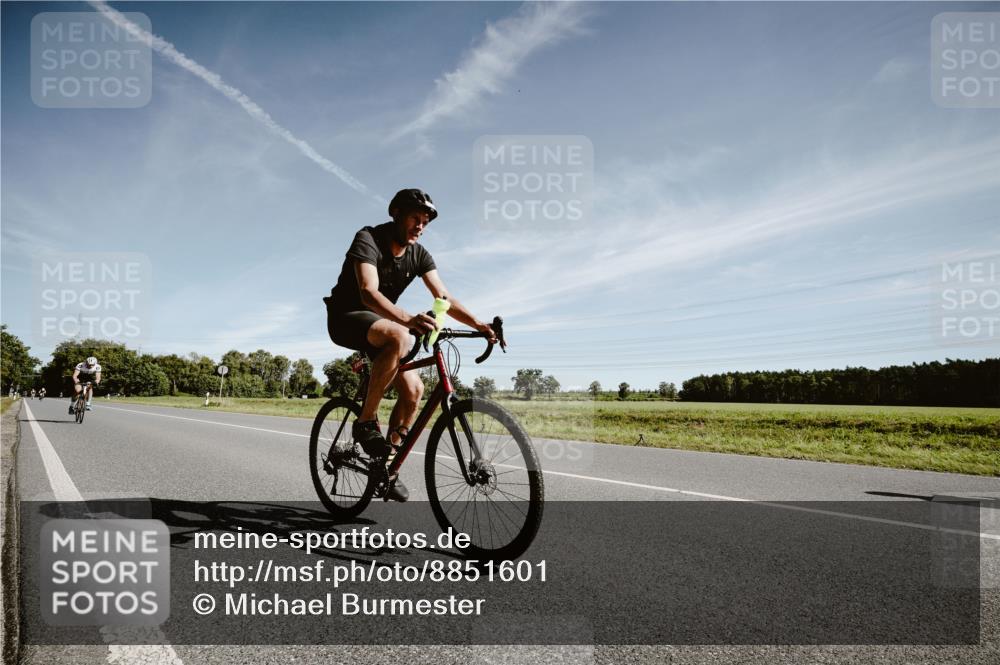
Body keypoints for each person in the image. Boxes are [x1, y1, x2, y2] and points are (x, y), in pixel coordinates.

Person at [324, 189, 497, 502]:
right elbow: (367, 292)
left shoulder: (420, 255)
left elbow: (444, 298)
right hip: (346, 316)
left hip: (383, 325)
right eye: (415, 218)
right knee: (401, 336)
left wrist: (479, 325)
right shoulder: (368, 238)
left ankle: (384, 467)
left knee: (415, 389)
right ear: (396, 213)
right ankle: (366, 422)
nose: (421, 225)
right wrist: (407, 319)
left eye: (426, 221)